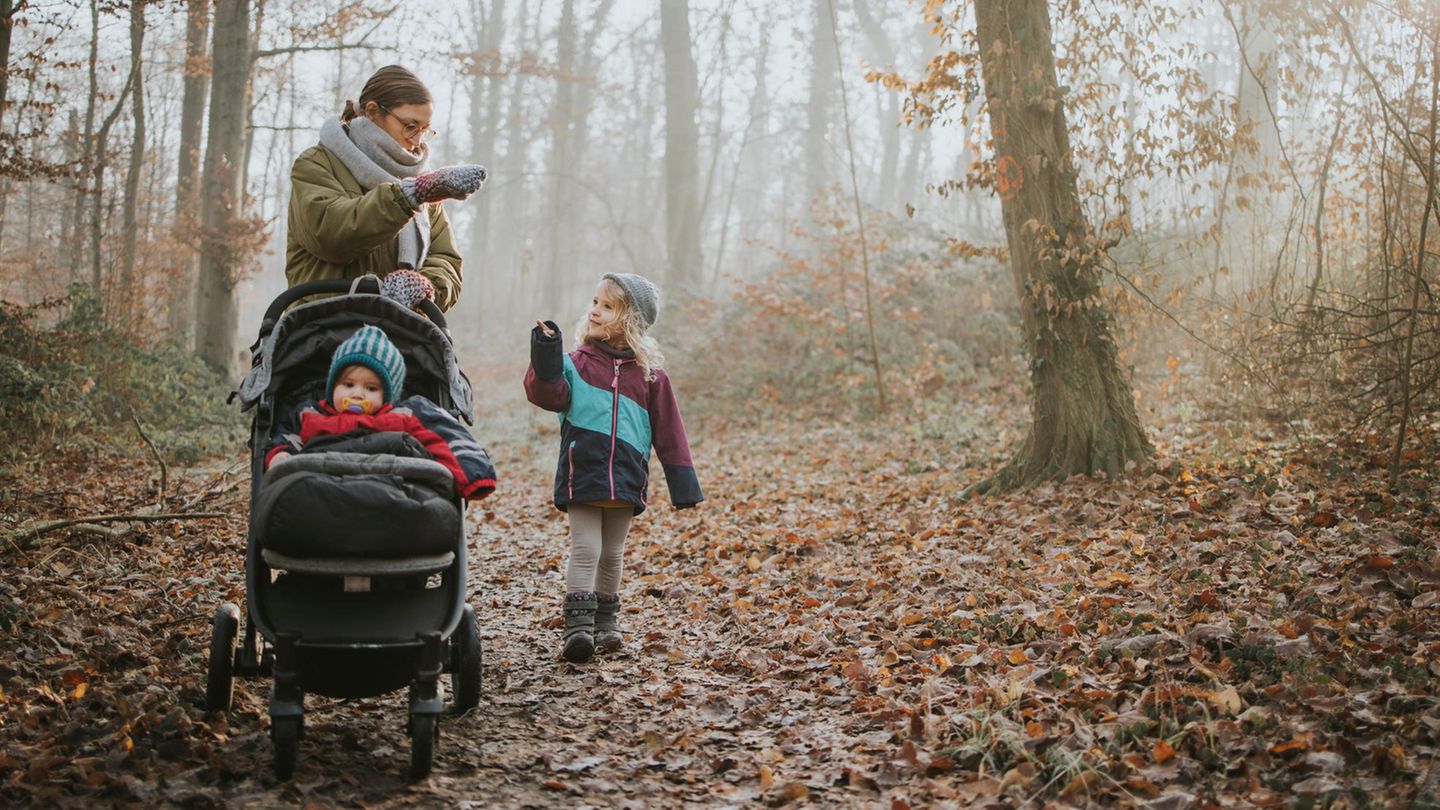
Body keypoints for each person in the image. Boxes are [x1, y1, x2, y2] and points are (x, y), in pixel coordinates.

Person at [524, 273, 702, 663]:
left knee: (614, 553)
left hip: (626, 473)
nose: (595, 310)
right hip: (582, 469)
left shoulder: (651, 375)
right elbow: (546, 395)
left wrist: (683, 482)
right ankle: (578, 631)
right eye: (594, 302)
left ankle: (606, 625)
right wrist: (546, 355)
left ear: (631, 320)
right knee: (586, 548)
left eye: (607, 306)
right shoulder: (574, 364)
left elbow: (670, 429)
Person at [287, 64, 488, 312]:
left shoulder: (424, 184)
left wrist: (426, 286)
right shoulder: (317, 164)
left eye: (424, 130)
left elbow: (446, 259)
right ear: (372, 111)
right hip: (323, 329)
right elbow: (329, 234)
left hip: (401, 331)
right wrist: (408, 196)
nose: (416, 141)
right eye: (410, 126)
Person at [267, 324, 496, 501]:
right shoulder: (310, 414)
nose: (358, 394)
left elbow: (447, 436)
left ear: (388, 395)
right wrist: (281, 455)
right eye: (348, 385)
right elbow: (286, 437)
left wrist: (472, 475)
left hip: (394, 490)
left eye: (371, 388)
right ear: (332, 386)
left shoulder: (406, 414)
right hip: (320, 491)